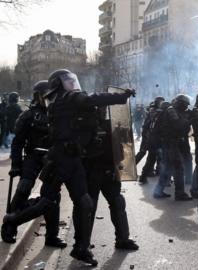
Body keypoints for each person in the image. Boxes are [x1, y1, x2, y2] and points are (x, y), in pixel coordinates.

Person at [2, 69, 135, 266]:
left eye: (72, 81)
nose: (72, 84)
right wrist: (121, 96)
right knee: (46, 202)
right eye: (67, 81)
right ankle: (12, 220)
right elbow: (92, 98)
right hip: (60, 159)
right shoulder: (65, 99)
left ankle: (81, 249)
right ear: (58, 84)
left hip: (73, 159)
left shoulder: (63, 100)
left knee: (85, 203)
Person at [1, 81, 65, 248]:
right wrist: (16, 164)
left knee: (53, 196)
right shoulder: (28, 115)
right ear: (38, 95)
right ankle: (9, 227)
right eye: (46, 94)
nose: (50, 97)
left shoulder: (58, 114)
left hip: (51, 159)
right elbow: (17, 142)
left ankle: (52, 236)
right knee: (24, 188)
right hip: (33, 156)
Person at [81, 106, 138, 250]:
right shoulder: (82, 126)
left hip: (109, 171)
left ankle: (123, 239)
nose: (101, 111)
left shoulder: (110, 125)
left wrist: (123, 131)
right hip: (91, 173)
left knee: (118, 202)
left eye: (103, 109)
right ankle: (83, 244)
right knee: (88, 207)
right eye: (98, 109)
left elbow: (121, 147)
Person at [161, 94, 192, 201]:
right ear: (180, 103)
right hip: (171, 143)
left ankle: (158, 191)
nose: (187, 107)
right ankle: (179, 193)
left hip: (173, 142)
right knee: (179, 167)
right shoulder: (171, 110)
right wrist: (188, 120)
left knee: (169, 168)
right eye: (185, 104)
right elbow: (178, 125)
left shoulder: (176, 110)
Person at [136, 97, 164, 184]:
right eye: (161, 102)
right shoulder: (155, 110)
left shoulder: (155, 110)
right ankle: (132, 169)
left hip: (151, 136)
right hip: (150, 136)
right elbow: (153, 124)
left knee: (152, 157)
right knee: (145, 154)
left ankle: (147, 173)